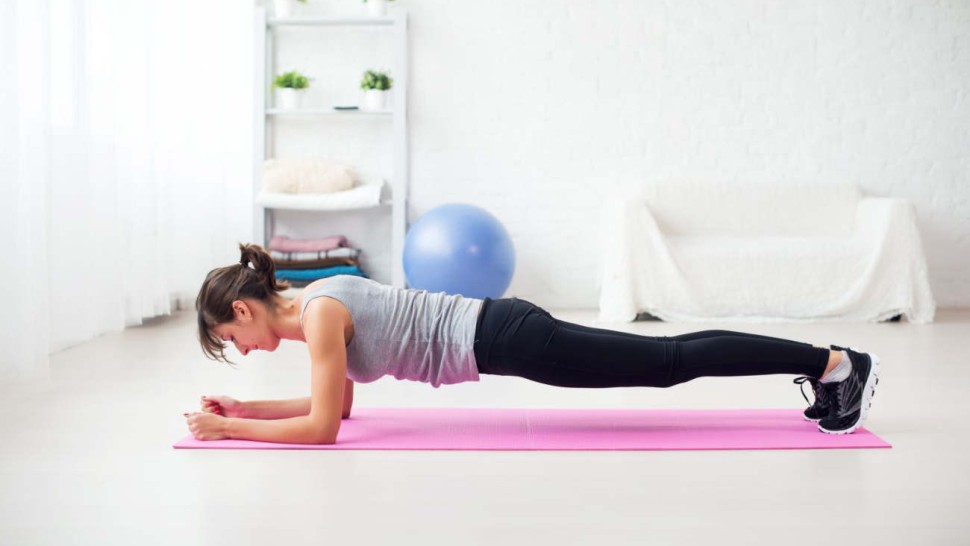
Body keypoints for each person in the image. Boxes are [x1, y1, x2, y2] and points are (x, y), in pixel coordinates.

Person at [186, 243, 880, 444]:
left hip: (511, 339)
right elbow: (333, 410)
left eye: (232, 337)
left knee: (667, 364)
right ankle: (828, 367)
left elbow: (322, 430)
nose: (243, 351)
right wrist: (244, 413)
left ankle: (837, 364)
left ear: (244, 309)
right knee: (666, 363)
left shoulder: (321, 314)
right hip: (506, 334)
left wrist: (225, 429)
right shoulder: (319, 304)